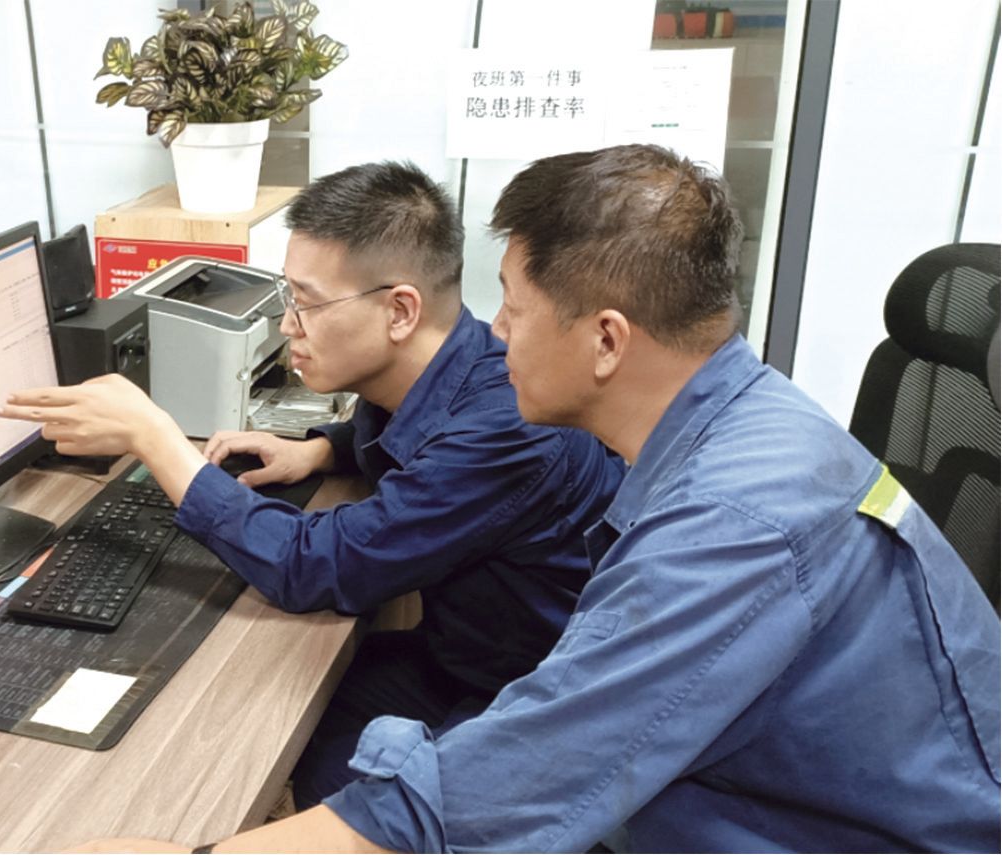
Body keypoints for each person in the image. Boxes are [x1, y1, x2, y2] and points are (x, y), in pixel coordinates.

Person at [70, 143, 1001, 853]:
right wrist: (328, 442)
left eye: (513, 307)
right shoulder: (744, 418)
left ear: (606, 340)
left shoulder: (729, 526)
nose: (495, 331)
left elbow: (512, 778)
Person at [0, 161, 622, 808]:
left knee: (289, 751)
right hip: (469, 653)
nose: (287, 325)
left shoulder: (509, 428)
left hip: (530, 704)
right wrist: (323, 449)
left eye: (307, 302)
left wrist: (153, 437)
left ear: (400, 310)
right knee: (272, 701)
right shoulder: (456, 366)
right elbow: (426, 436)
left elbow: (316, 564)